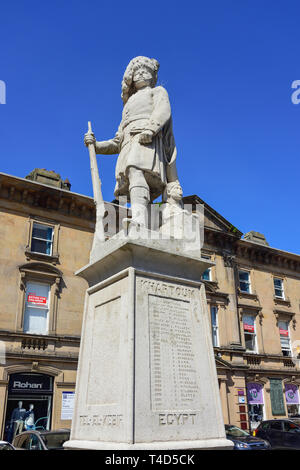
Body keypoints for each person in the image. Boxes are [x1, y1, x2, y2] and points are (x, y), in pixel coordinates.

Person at [84, 56, 181, 227]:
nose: (142, 74)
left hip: (146, 140)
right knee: (134, 178)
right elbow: (117, 141)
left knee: (135, 170)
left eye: (146, 71)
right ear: (131, 79)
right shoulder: (127, 107)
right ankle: (148, 222)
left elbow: (163, 110)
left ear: (153, 75)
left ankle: (139, 220)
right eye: (138, 72)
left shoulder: (157, 91)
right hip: (128, 145)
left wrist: (151, 129)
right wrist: (96, 145)